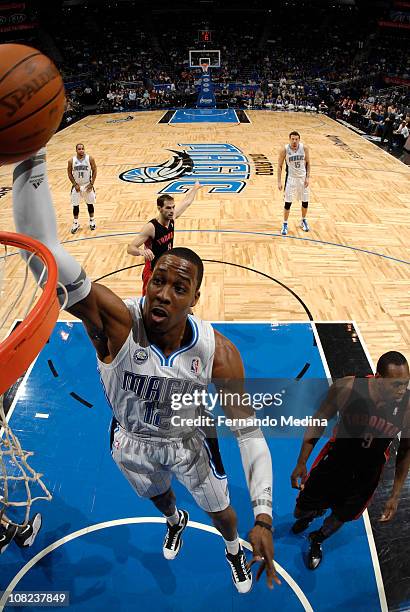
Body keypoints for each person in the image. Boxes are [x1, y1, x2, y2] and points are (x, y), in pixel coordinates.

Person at [12, 150, 280, 593]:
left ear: (195, 298)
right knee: (158, 496)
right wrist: (32, 155)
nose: (164, 294)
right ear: (147, 281)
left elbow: (249, 434)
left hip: (189, 440)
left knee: (224, 513)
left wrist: (265, 517)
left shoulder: (219, 354)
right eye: (159, 281)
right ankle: (175, 519)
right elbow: (47, 260)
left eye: (180, 288)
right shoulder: (116, 324)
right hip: (131, 438)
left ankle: (232, 547)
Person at [290, 352, 410, 569]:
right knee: (299, 511)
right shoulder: (348, 388)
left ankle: (317, 539)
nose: (401, 391)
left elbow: (405, 452)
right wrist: (301, 462)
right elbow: (319, 420)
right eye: (395, 385)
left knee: (339, 517)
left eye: (405, 384)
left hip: (366, 476)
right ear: (377, 377)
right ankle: (312, 513)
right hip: (334, 463)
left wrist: (395, 493)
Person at [127, 183, 202, 296]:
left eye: (173, 207)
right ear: (159, 209)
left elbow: (186, 202)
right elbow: (130, 248)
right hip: (152, 271)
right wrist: (142, 251)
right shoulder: (151, 227)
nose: (172, 211)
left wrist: (195, 188)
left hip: (166, 267)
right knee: (148, 301)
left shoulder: (172, 218)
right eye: (168, 208)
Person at [277, 131, 311, 236]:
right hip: (290, 178)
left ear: (299, 140)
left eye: (296, 139)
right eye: (292, 139)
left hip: (302, 178)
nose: (294, 141)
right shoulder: (285, 150)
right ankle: (285, 223)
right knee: (288, 202)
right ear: (289, 139)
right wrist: (279, 181)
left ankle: (303, 220)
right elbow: (279, 166)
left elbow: (308, 163)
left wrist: (308, 178)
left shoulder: (304, 148)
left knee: (305, 201)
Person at [67, 143, 97, 234]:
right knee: (75, 205)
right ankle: (75, 223)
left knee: (90, 204)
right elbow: (69, 173)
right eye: (79, 149)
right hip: (77, 186)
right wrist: (75, 184)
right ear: (76, 150)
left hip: (87, 185)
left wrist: (92, 183)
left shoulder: (90, 158)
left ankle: (92, 221)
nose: (81, 150)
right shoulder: (71, 161)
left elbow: (95, 170)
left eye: (82, 148)